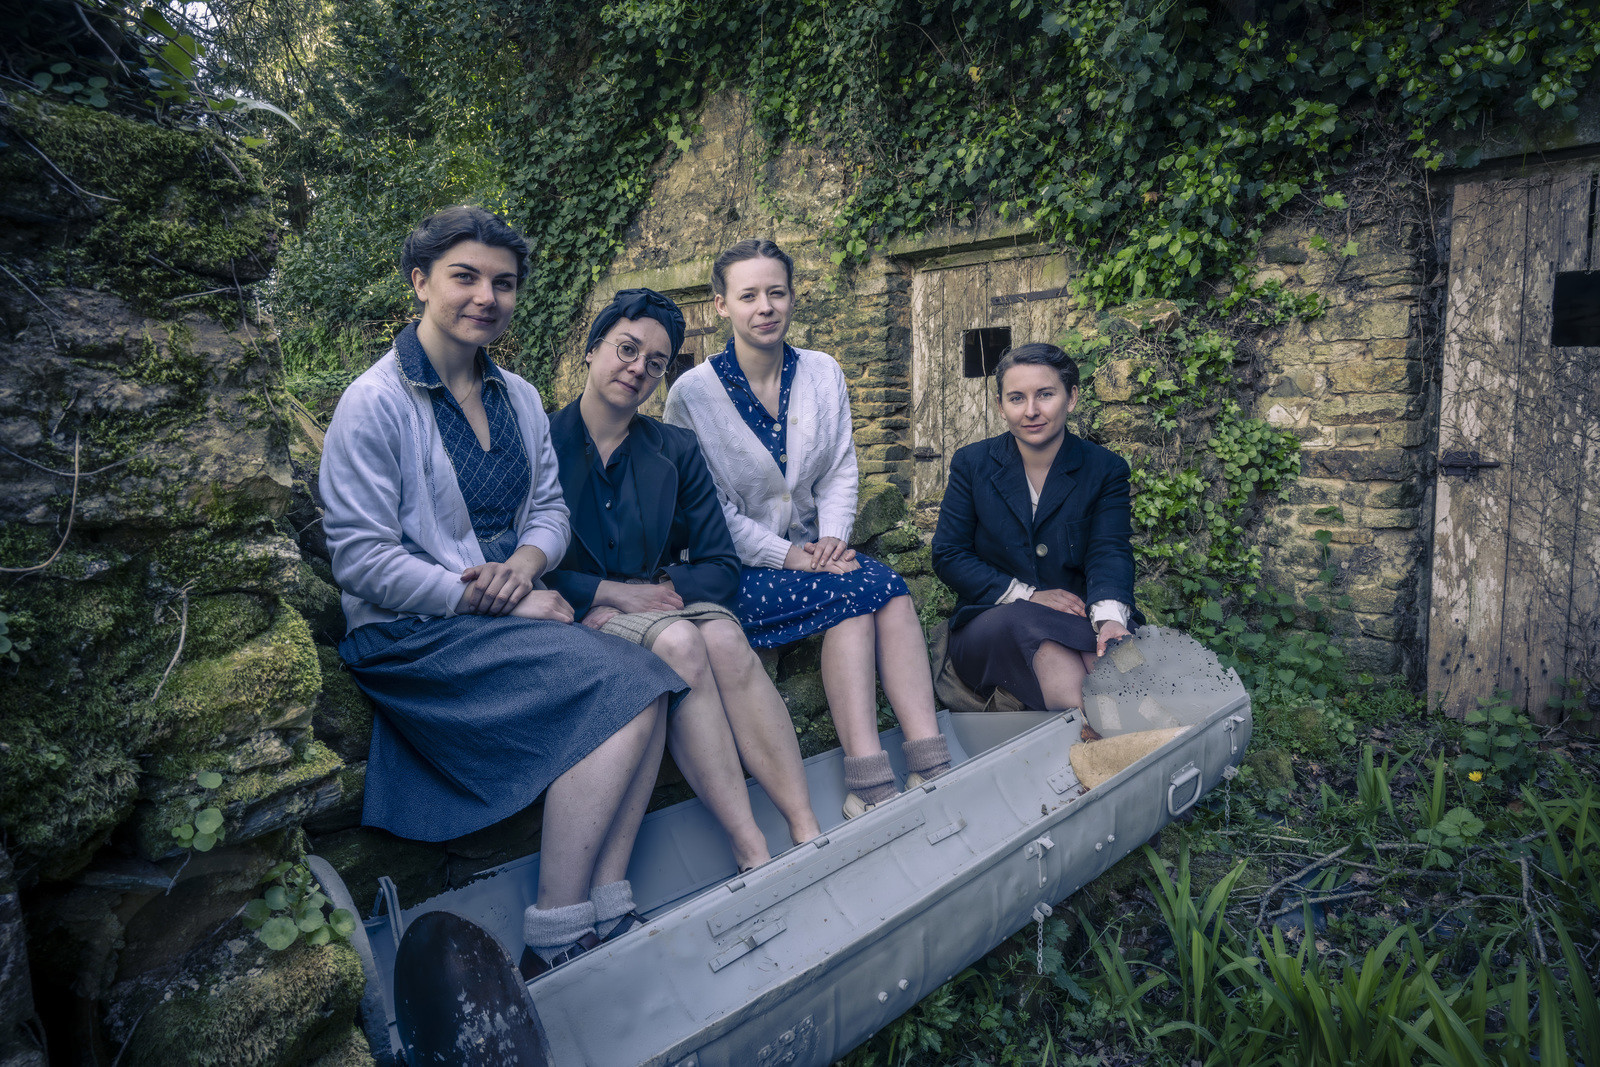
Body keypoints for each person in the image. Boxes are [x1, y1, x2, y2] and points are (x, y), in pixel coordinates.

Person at [320, 206, 686, 980]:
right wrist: (499, 599)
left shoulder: (517, 396)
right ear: (419, 281)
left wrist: (525, 564)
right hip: (412, 632)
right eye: (465, 276)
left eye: (504, 282)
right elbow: (360, 559)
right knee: (624, 680)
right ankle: (553, 932)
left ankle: (607, 899)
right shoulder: (374, 402)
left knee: (650, 680)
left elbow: (549, 510)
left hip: (505, 616)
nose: (486, 295)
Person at [664, 239, 951, 820]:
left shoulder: (823, 372)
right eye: (748, 295)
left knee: (889, 591)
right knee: (860, 592)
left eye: (776, 292)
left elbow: (842, 467)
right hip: (732, 568)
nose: (765, 306)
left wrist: (833, 538)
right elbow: (708, 511)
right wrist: (786, 555)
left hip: (815, 554)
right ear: (721, 306)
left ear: (793, 297)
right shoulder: (691, 394)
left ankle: (928, 759)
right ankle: (868, 778)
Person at [544, 287, 823, 870]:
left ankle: (806, 829)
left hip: (660, 601)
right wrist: (605, 593)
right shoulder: (538, 440)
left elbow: (721, 568)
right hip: (574, 615)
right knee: (683, 640)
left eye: (655, 363)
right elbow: (517, 560)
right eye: (626, 349)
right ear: (591, 349)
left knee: (721, 635)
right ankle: (749, 846)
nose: (637, 369)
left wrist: (657, 590)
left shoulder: (677, 449)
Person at [930, 342, 1139, 725]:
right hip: (993, 621)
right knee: (1038, 637)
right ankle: (1096, 731)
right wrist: (1026, 595)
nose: (1031, 411)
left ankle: (1107, 738)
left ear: (1071, 397)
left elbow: (1108, 550)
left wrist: (1109, 618)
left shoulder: (1104, 469)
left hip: (1079, 616)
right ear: (1000, 405)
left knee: (1108, 651)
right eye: (1016, 398)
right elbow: (949, 554)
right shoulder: (972, 464)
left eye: (1045, 394)